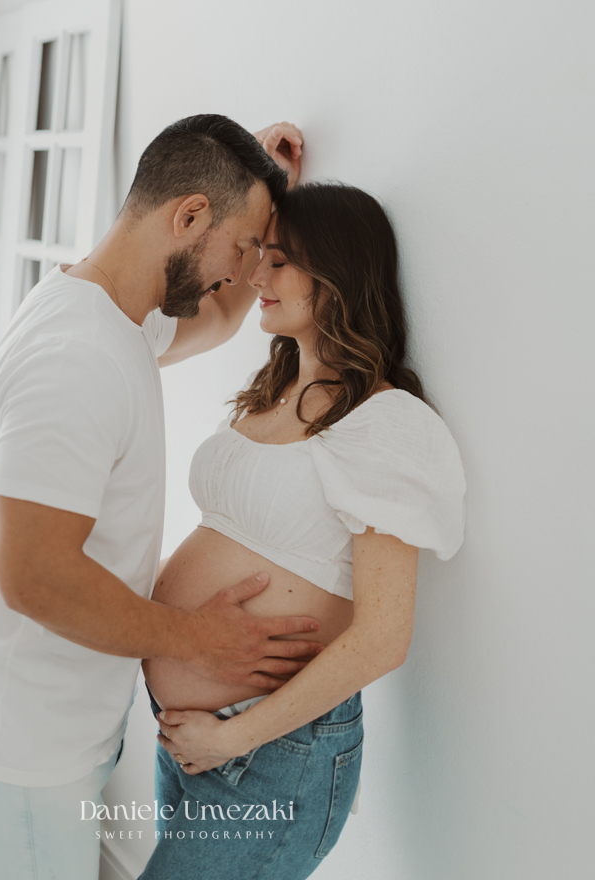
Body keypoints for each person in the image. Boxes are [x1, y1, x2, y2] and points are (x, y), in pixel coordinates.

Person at [0, 114, 322, 880]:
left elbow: (226, 314)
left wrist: (268, 186)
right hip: (14, 753)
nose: (243, 272)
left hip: (31, 739)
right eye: (240, 247)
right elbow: (33, 576)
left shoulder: (114, 318)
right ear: (189, 215)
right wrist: (200, 640)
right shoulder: (76, 358)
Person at [138, 179, 467, 880]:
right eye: (262, 253)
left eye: (280, 259)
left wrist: (233, 740)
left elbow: (383, 638)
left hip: (268, 751)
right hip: (195, 733)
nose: (257, 274)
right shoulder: (274, 389)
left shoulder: (383, 424)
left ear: (337, 273)